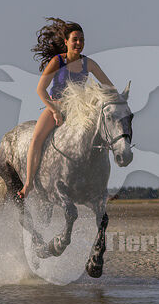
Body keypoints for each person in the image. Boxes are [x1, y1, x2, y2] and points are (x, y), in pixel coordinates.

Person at [17, 17, 114, 199]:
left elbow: (109, 86)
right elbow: (40, 89)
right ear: (66, 42)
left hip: (80, 111)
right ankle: (28, 183)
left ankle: (100, 188)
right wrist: (53, 109)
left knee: (101, 139)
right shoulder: (57, 61)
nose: (79, 43)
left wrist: (111, 98)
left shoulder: (89, 63)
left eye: (82, 40)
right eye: (75, 40)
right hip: (57, 107)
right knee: (36, 139)